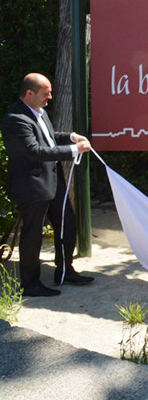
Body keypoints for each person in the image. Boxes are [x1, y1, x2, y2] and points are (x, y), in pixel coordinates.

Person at [1, 73, 94, 297]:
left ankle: (65, 270)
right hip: (32, 186)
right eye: (46, 93)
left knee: (67, 223)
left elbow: (49, 138)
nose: (50, 97)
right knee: (32, 235)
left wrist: (71, 137)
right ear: (29, 93)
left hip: (52, 181)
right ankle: (30, 284)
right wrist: (74, 151)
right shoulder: (16, 119)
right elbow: (35, 151)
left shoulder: (38, 111)